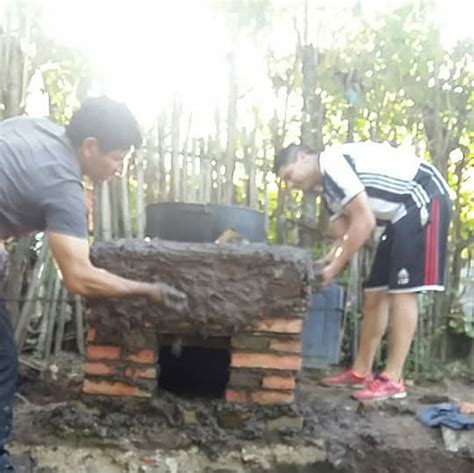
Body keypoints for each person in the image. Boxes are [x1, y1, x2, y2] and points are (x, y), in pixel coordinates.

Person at [0, 96, 188, 472]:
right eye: (116, 157)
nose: (118, 169)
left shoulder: (36, 128)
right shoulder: (63, 184)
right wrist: (146, 289)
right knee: (2, 361)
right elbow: (78, 276)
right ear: (89, 147)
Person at [274, 141, 451, 402]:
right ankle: (360, 372)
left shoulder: (333, 163)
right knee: (374, 294)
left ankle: (393, 379)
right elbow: (342, 237)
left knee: (404, 290)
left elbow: (364, 222)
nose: (290, 185)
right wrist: (325, 264)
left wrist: (333, 269)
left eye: (289, 176)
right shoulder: (328, 192)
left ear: (302, 157)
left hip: (423, 196)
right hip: (398, 215)